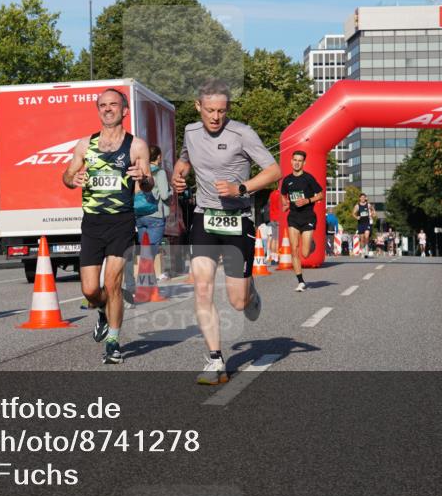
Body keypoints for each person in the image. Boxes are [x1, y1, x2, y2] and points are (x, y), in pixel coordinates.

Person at [172, 79, 281, 385]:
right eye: (210, 111)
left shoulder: (242, 134)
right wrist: (179, 178)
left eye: (221, 111)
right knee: (203, 288)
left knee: (237, 300)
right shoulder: (191, 131)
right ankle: (215, 360)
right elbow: (184, 161)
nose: (216, 117)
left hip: (238, 219)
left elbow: (275, 170)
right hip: (204, 217)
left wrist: (241, 187)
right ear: (198, 107)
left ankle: (250, 292)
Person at [62, 89, 152, 364]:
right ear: (98, 110)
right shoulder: (84, 145)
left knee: (112, 283)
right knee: (90, 290)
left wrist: (142, 177)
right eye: (103, 105)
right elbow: (66, 175)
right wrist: (72, 179)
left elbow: (148, 184)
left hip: (121, 222)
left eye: (113, 105)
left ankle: (113, 341)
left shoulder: (136, 145)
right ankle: (101, 310)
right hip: (91, 223)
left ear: (124, 111)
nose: (108, 109)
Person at [279, 150, 324, 292]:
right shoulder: (287, 180)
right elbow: (283, 194)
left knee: (305, 253)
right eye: (295, 160)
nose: (297, 162)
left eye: (300, 160)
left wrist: (307, 200)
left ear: (304, 163)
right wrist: (285, 204)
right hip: (293, 217)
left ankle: (311, 244)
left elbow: (321, 195)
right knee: (294, 249)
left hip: (308, 217)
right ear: (291, 161)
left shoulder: (308, 178)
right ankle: (300, 281)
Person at [136, 144, 172, 280]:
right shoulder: (160, 172)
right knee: (152, 248)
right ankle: (149, 276)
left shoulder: (141, 172)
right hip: (155, 215)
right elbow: (164, 195)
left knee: (144, 248)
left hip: (140, 214)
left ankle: (144, 275)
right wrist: (171, 190)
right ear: (158, 156)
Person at [352, 193, 376, 258]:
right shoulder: (357, 206)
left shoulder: (368, 205)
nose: (362, 199)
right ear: (359, 198)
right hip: (360, 224)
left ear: (365, 198)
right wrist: (357, 217)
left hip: (367, 223)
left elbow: (373, 209)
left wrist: (373, 214)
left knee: (367, 236)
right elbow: (353, 213)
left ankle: (366, 249)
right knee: (362, 238)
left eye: (364, 197)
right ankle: (362, 250)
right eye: (361, 197)